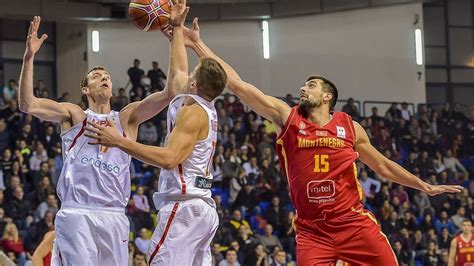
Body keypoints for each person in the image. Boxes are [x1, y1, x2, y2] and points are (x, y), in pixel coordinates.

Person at [178, 17, 463, 265]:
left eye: (311, 85)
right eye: (304, 84)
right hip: (312, 231)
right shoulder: (286, 118)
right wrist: (197, 45)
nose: (303, 88)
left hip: (353, 224)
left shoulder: (349, 126)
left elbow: (384, 166)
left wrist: (423, 185)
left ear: (328, 96)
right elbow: (237, 85)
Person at [18, 16, 181, 265]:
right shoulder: (74, 114)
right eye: (96, 76)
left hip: (114, 214)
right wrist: (29, 57)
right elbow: (27, 104)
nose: (103, 78)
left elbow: (171, 92)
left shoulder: (127, 118)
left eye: (106, 76)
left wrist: (176, 37)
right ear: (85, 89)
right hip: (77, 212)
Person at [85, 1, 227, 265]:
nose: (186, 76)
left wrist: (119, 141)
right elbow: (177, 78)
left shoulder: (192, 113)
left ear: (194, 84)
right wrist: (176, 28)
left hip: (184, 207)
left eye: (191, 75)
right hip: (201, 207)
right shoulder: (203, 106)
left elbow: (169, 159)